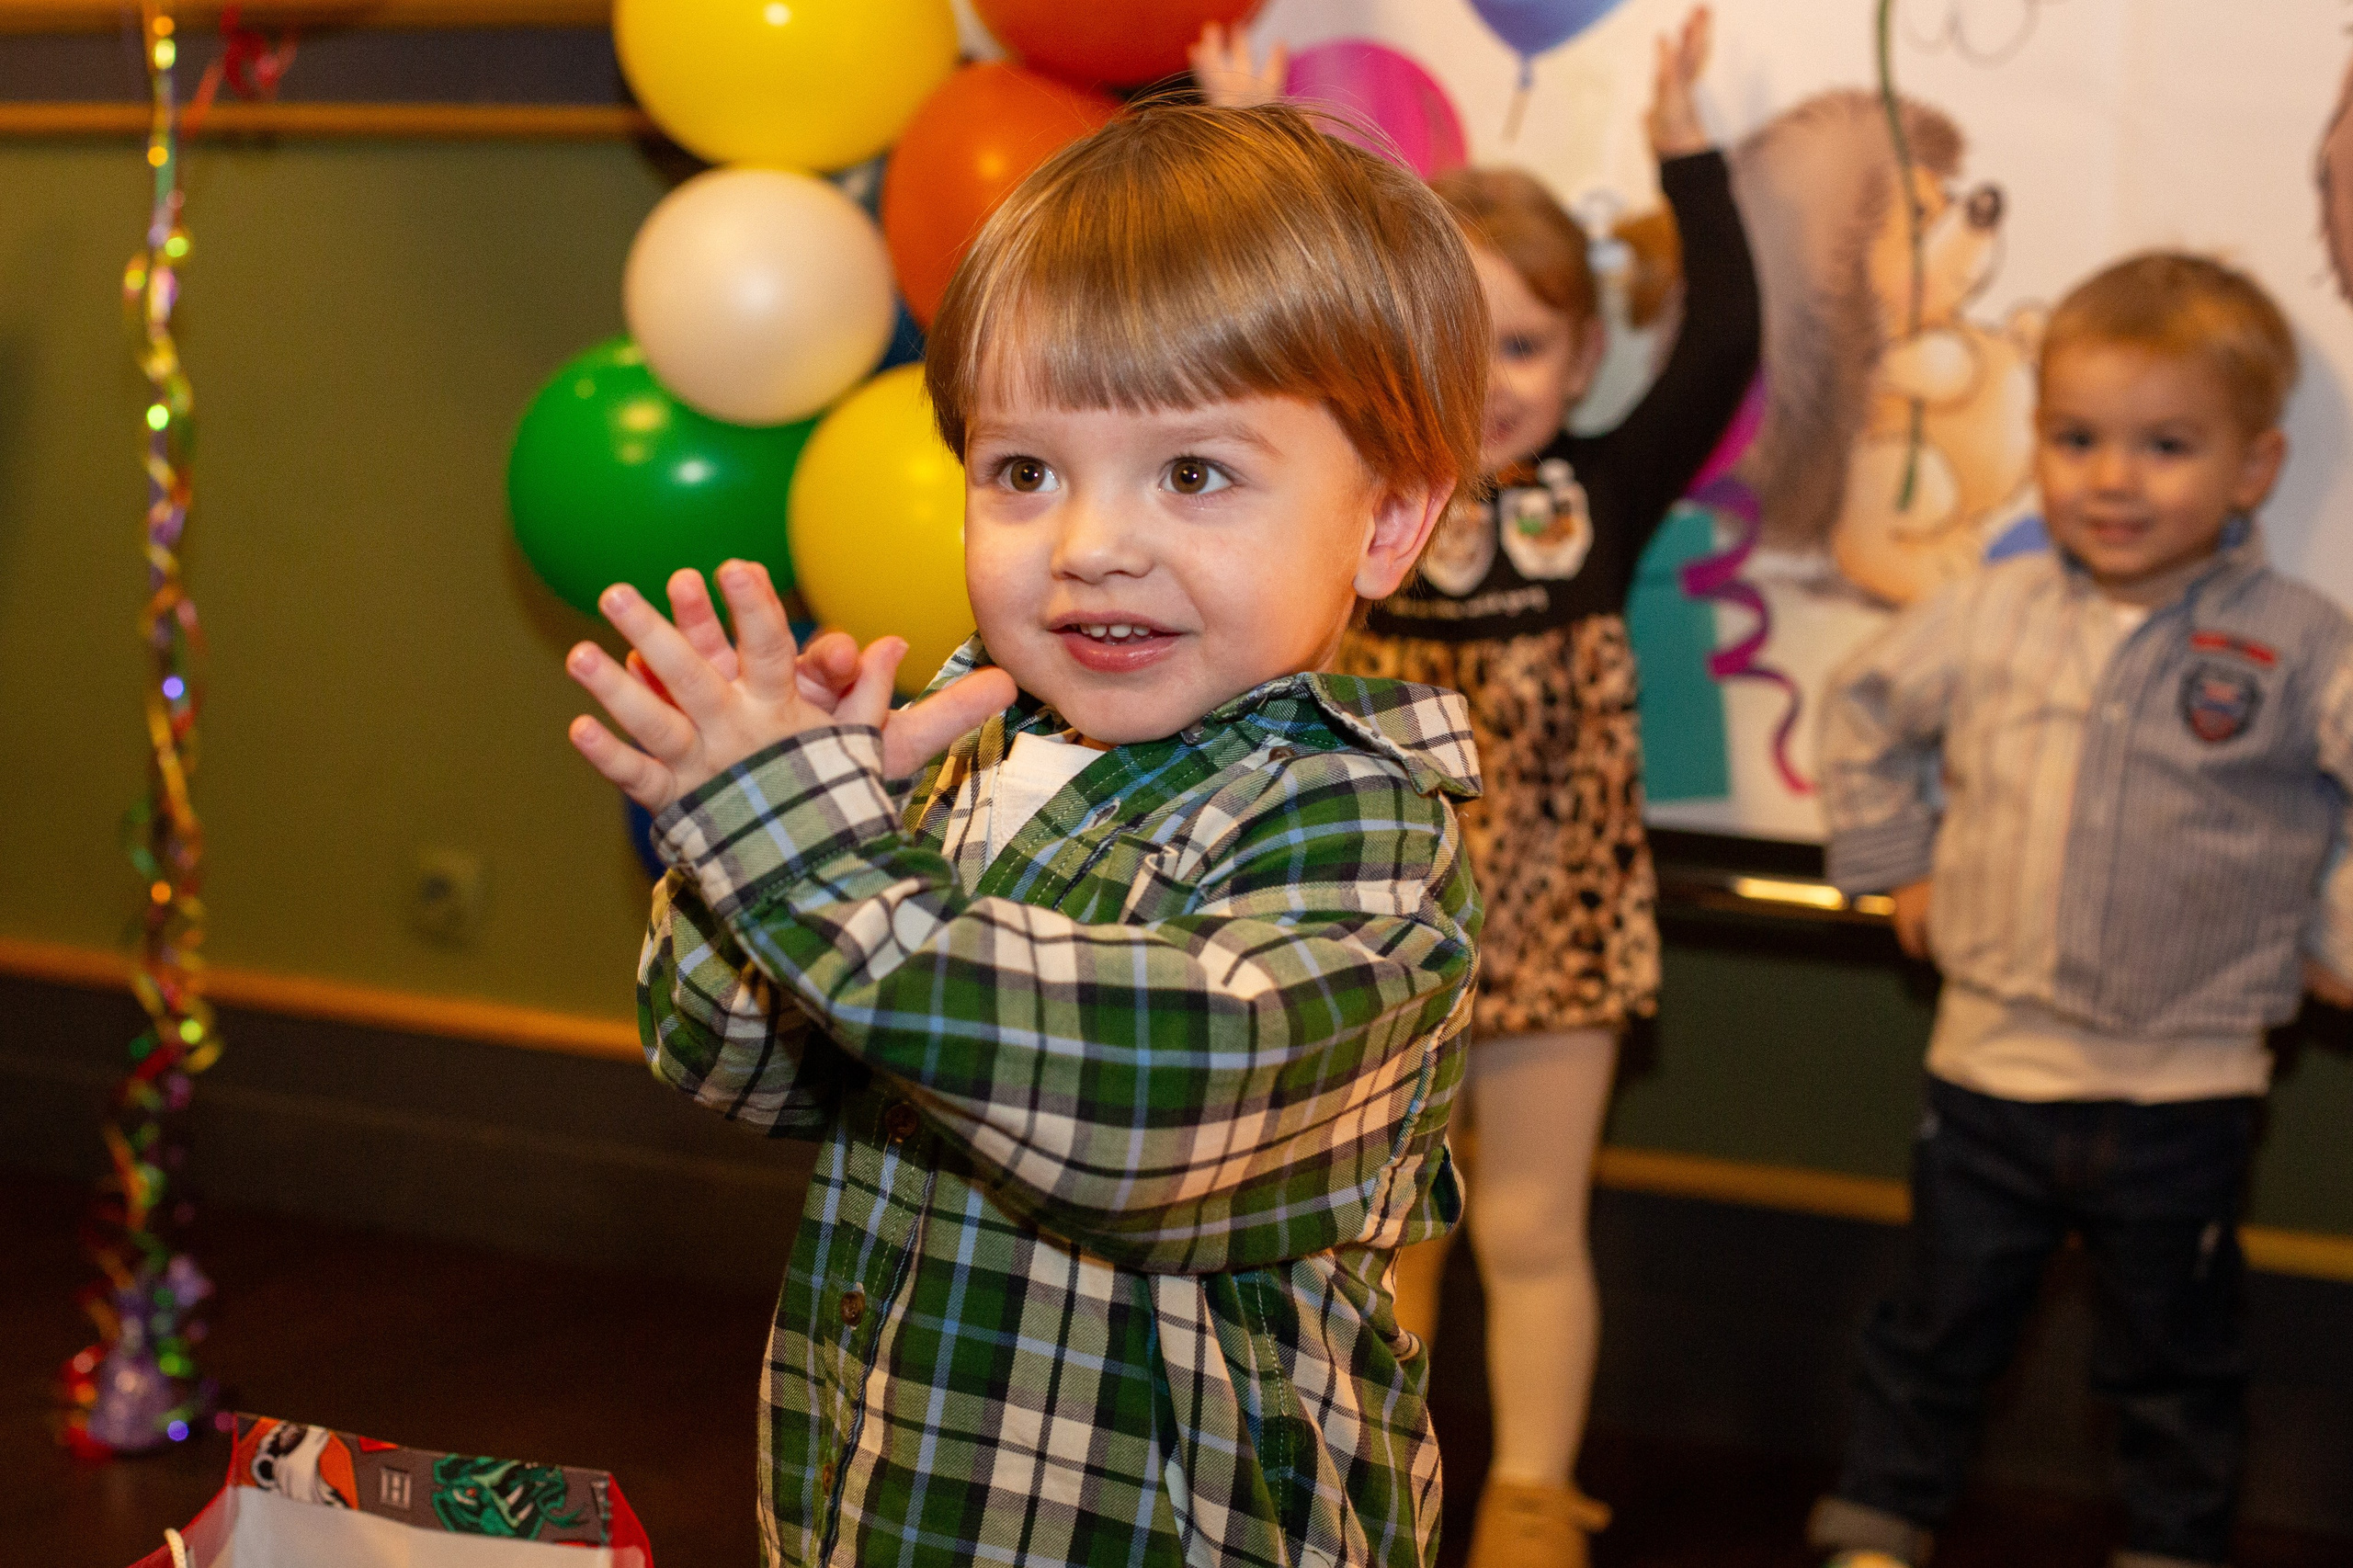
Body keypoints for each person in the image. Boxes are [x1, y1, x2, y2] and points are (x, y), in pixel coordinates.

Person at [563, 102, 1495, 1568]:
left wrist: (810, 861)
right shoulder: (971, 753)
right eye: (1023, 472)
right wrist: (740, 851)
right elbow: (731, 1062)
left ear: (1386, 521)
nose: (1088, 546)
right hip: (883, 1498)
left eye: (1193, 474)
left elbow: (1141, 1115)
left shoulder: (1355, 822)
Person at [1196, 16, 1760, 1568]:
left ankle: (1530, 1494)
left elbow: (1721, 342)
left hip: (1553, 929)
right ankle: (1376, 1479)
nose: (1492, 380)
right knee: (1387, 1235)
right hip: (1366, 930)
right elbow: (1258, 329)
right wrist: (1261, 150)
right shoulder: (1361, 495)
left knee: (1527, 1228)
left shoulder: (1601, 494)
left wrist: (1687, 149)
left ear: (1582, 359)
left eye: (1525, 345)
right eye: (1458, 340)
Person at [1811, 252, 2353, 1568]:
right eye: (2077, 439)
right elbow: (1863, 711)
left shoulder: (2293, 637)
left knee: (2175, 1346)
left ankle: (2174, 1536)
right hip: (1990, 1066)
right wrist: (1903, 863)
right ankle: (1886, 1510)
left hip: (2188, 1082)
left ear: (2254, 467)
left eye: (2166, 445)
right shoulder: (1989, 612)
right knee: (1939, 1318)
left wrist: (2336, 930)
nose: (2113, 478)